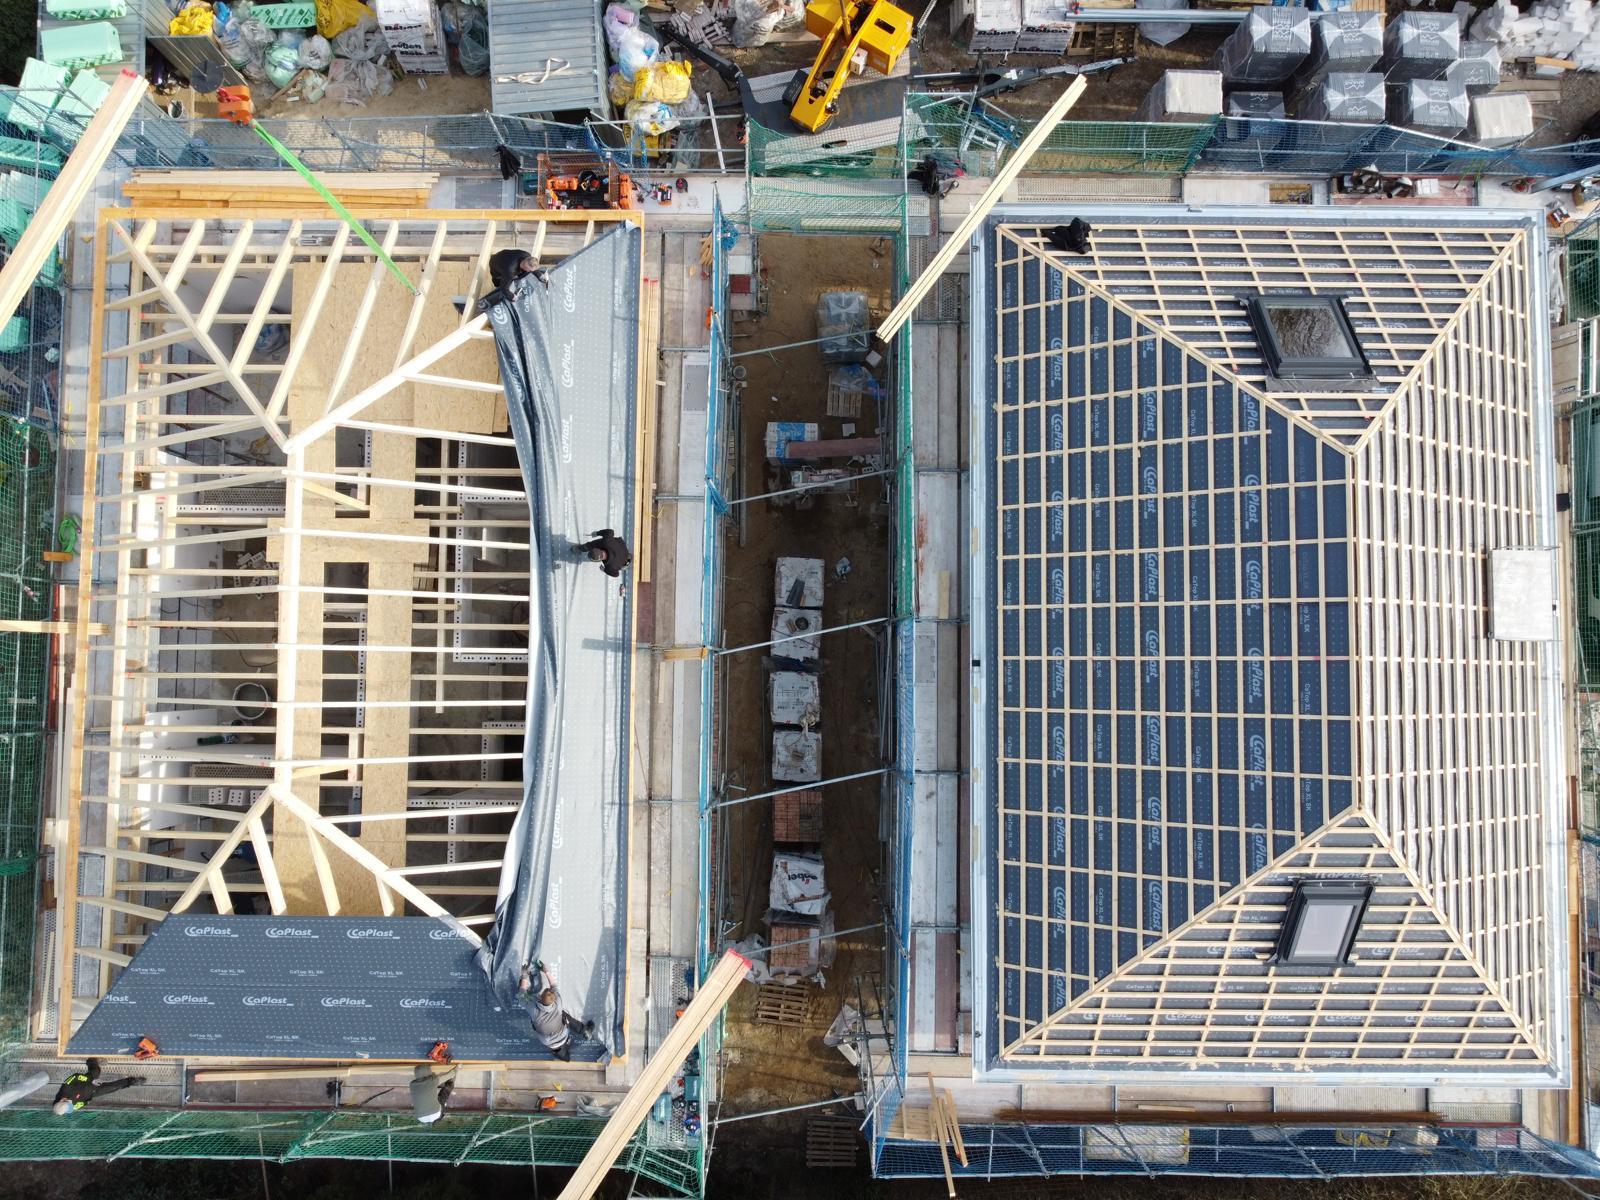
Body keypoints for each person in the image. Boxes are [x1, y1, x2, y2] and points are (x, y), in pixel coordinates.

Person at [519, 961, 595, 1062]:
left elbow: (521, 997)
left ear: (540, 998)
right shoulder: (558, 1003)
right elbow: (554, 985)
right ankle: (584, 1030)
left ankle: (563, 1056)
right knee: (562, 1015)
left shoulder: (534, 1010)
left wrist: (524, 977)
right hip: (563, 1034)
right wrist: (547, 971)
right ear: (554, 999)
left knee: (563, 1054)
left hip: (549, 1042)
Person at [52, 1059, 141, 1115]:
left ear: (62, 1100)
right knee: (113, 1087)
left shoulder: (66, 1088)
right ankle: (132, 1081)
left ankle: (92, 1061)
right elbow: (82, 1103)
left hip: (88, 1082)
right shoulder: (72, 1107)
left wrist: (90, 1080)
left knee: (95, 1070)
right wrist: (89, 1099)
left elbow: (76, 1076)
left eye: (68, 1104)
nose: (71, 1105)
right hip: (93, 1092)